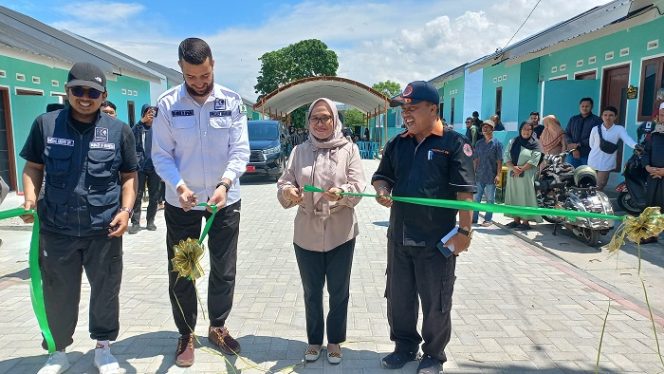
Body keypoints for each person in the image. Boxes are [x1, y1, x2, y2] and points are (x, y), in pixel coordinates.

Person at [19, 62, 138, 374]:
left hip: (105, 228)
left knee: (106, 290)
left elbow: (129, 176)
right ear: (67, 90)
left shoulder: (118, 131)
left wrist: (126, 212)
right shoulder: (46, 124)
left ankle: (103, 348)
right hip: (57, 229)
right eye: (78, 90)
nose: (85, 97)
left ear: (103, 95)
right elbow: (33, 167)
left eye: (93, 92)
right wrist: (29, 197)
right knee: (58, 292)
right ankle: (57, 352)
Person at [151, 37, 250, 367]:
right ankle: (186, 332)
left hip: (224, 201)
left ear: (213, 65)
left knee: (224, 268)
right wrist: (178, 186)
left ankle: (218, 326)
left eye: (204, 75)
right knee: (183, 269)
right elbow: (161, 155)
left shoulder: (232, 102)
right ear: (180, 68)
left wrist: (224, 183)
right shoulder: (167, 105)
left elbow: (239, 151)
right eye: (191, 77)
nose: (199, 83)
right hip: (183, 203)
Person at [372, 81, 475, 374]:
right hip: (400, 236)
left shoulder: (454, 144)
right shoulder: (398, 143)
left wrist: (465, 233)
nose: (406, 114)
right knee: (399, 298)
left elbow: (465, 193)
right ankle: (404, 346)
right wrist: (382, 190)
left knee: (436, 302)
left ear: (433, 109)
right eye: (404, 109)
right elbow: (382, 176)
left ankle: (433, 355)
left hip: (436, 241)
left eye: (412, 108)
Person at [277, 98, 366, 365]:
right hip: (306, 233)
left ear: (335, 120)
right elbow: (284, 182)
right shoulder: (299, 151)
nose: (321, 123)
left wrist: (343, 193)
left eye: (326, 117)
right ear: (308, 122)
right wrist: (288, 192)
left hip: (341, 232)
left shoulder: (349, 149)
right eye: (315, 118)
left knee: (339, 291)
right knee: (312, 291)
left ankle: (335, 340)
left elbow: (358, 184)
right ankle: (315, 341)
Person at [504, 122, 543, 230]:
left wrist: (521, 169)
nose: (526, 131)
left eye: (529, 129)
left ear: (532, 131)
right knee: (513, 196)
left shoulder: (535, 144)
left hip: (526, 174)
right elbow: (506, 155)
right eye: (524, 129)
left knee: (525, 197)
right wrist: (513, 168)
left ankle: (526, 222)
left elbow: (535, 159)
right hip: (513, 173)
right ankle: (516, 220)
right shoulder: (513, 141)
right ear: (520, 130)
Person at [588, 106, 637, 191]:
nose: (608, 117)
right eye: (605, 115)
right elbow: (591, 144)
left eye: (611, 115)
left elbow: (627, 139)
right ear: (602, 116)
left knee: (600, 185)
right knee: (590, 184)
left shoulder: (619, 129)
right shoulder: (595, 129)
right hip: (593, 160)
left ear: (615, 117)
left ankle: (597, 202)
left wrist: (636, 146)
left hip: (607, 161)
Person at [129, 104, 161, 233]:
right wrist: (141, 122)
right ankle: (135, 223)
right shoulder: (138, 128)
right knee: (137, 195)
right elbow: (129, 137)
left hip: (155, 167)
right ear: (143, 113)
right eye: (148, 112)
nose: (151, 115)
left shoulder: (159, 129)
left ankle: (150, 221)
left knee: (154, 196)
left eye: (153, 113)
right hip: (140, 166)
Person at [641, 102, 664, 244]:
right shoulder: (653, 134)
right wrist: (647, 167)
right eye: (662, 115)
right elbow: (645, 152)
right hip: (653, 175)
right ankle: (651, 234)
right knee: (652, 205)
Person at [472, 119, 503, 226]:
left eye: (487, 127)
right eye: (483, 127)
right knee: (476, 199)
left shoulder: (497, 144)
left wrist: (498, 175)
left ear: (492, 129)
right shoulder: (479, 143)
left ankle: (488, 219)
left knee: (490, 199)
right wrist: (472, 172)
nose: (484, 128)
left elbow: (499, 161)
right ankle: (474, 219)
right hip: (479, 175)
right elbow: (475, 159)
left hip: (491, 175)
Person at [565, 97, 602, 168]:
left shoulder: (597, 120)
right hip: (572, 154)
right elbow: (567, 133)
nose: (584, 108)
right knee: (570, 174)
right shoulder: (573, 119)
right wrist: (572, 146)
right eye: (582, 106)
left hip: (588, 154)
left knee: (586, 175)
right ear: (579, 107)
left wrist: (579, 144)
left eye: (587, 106)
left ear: (592, 107)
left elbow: (597, 137)